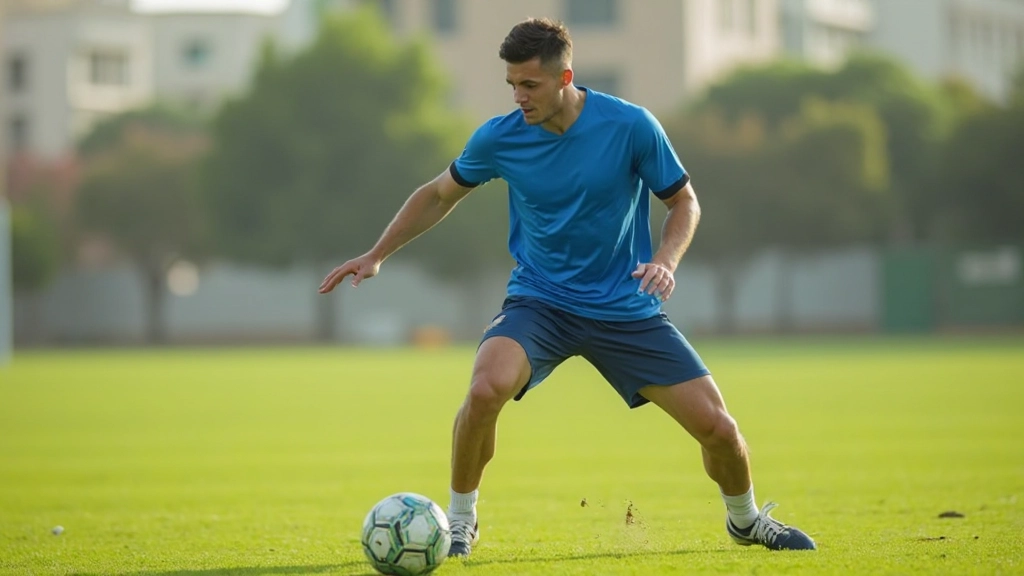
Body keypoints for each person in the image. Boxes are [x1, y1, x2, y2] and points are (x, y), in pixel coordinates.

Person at [319, 18, 816, 557]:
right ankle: (460, 522)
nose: (518, 97)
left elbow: (683, 202)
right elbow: (439, 194)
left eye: (529, 85)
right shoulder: (500, 136)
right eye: (511, 84)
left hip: (625, 305)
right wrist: (376, 255)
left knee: (718, 429)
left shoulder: (630, 126)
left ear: (565, 77)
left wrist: (666, 261)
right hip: (541, 301)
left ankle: (744, 520)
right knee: (486, 388)